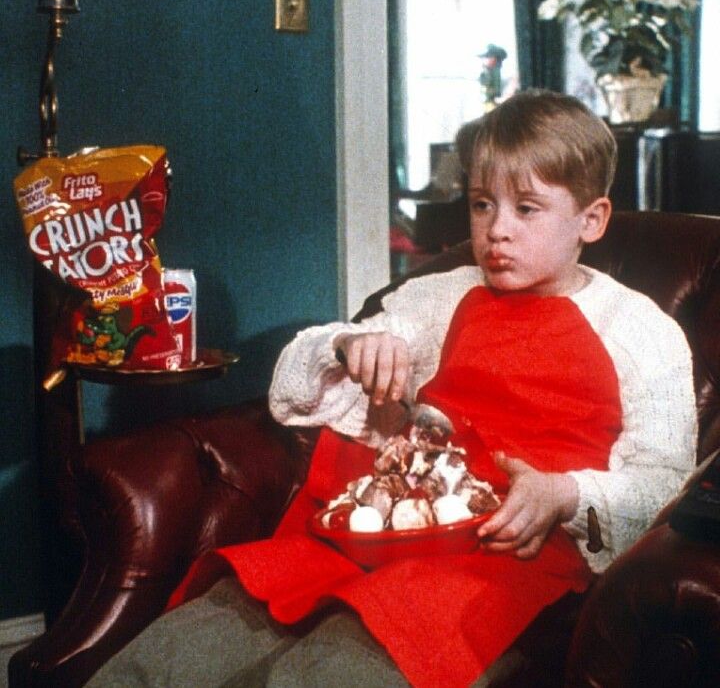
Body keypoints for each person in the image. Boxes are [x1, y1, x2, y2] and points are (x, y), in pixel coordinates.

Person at [87, 90, 696, 688]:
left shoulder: (640, 330)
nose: (496, 232)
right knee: (166, 659)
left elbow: (665, 484)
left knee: (332, 672)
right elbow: (294, 387)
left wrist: (563, 494)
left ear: (592, 218)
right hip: (381, 533)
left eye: (527, 209)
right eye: (483, 205)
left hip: (511, 562)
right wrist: (349, 348)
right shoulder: (442, 295)